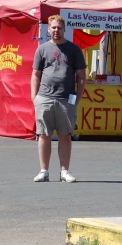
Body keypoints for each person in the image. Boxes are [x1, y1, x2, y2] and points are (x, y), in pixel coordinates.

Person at [30, 14, 86, 182]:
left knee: (65, 135)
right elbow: (35, 75)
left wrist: (78, 98)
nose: (56, 30)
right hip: (44, 98)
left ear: (64, 29)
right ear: (49, 29)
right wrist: (34, 97)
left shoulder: (74, 50)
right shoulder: (42, 49)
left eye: (59, 28)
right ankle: (44, 171)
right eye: (53, 27)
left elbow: (81, 76)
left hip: (66, 98)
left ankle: (64, 171)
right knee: (44, 134)